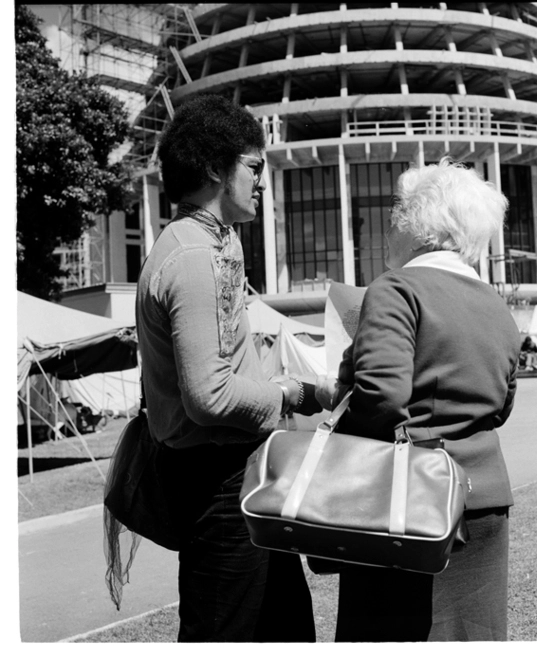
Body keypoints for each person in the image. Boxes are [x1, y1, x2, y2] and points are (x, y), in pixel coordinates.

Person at [135, 94, 319, 642]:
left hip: (241, 474)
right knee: (223, 636)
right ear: (216, 168)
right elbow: (209, 396)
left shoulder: (217, 241)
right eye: (254, 167)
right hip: (216, 484)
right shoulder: (193, 258)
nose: (262, 181)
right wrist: (289, 392)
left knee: (287, 630)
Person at [316, 158, 521, 642]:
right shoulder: (496, 304)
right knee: (471, 638)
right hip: (485, 496)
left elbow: (382, 395)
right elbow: (502, 404)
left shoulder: (396, 287)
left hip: (407, 501)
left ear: (416, 222)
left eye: (396, 215)